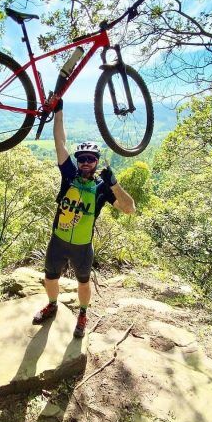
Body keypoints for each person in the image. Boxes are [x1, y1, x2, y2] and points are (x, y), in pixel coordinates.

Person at [32, 99, 136, 338]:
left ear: (97, 161)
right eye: (82, 158)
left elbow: (129, 209)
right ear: (78, 161)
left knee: (83, 283)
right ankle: (53, 305)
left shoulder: (102, 188)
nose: (86, 162)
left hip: (82, 247)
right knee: (50, 277)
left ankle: (83, 313)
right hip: (58, 240)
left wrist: (115, 184)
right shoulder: (68, 175)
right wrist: (59, 110)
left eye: (91, 158)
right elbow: (60, 141)